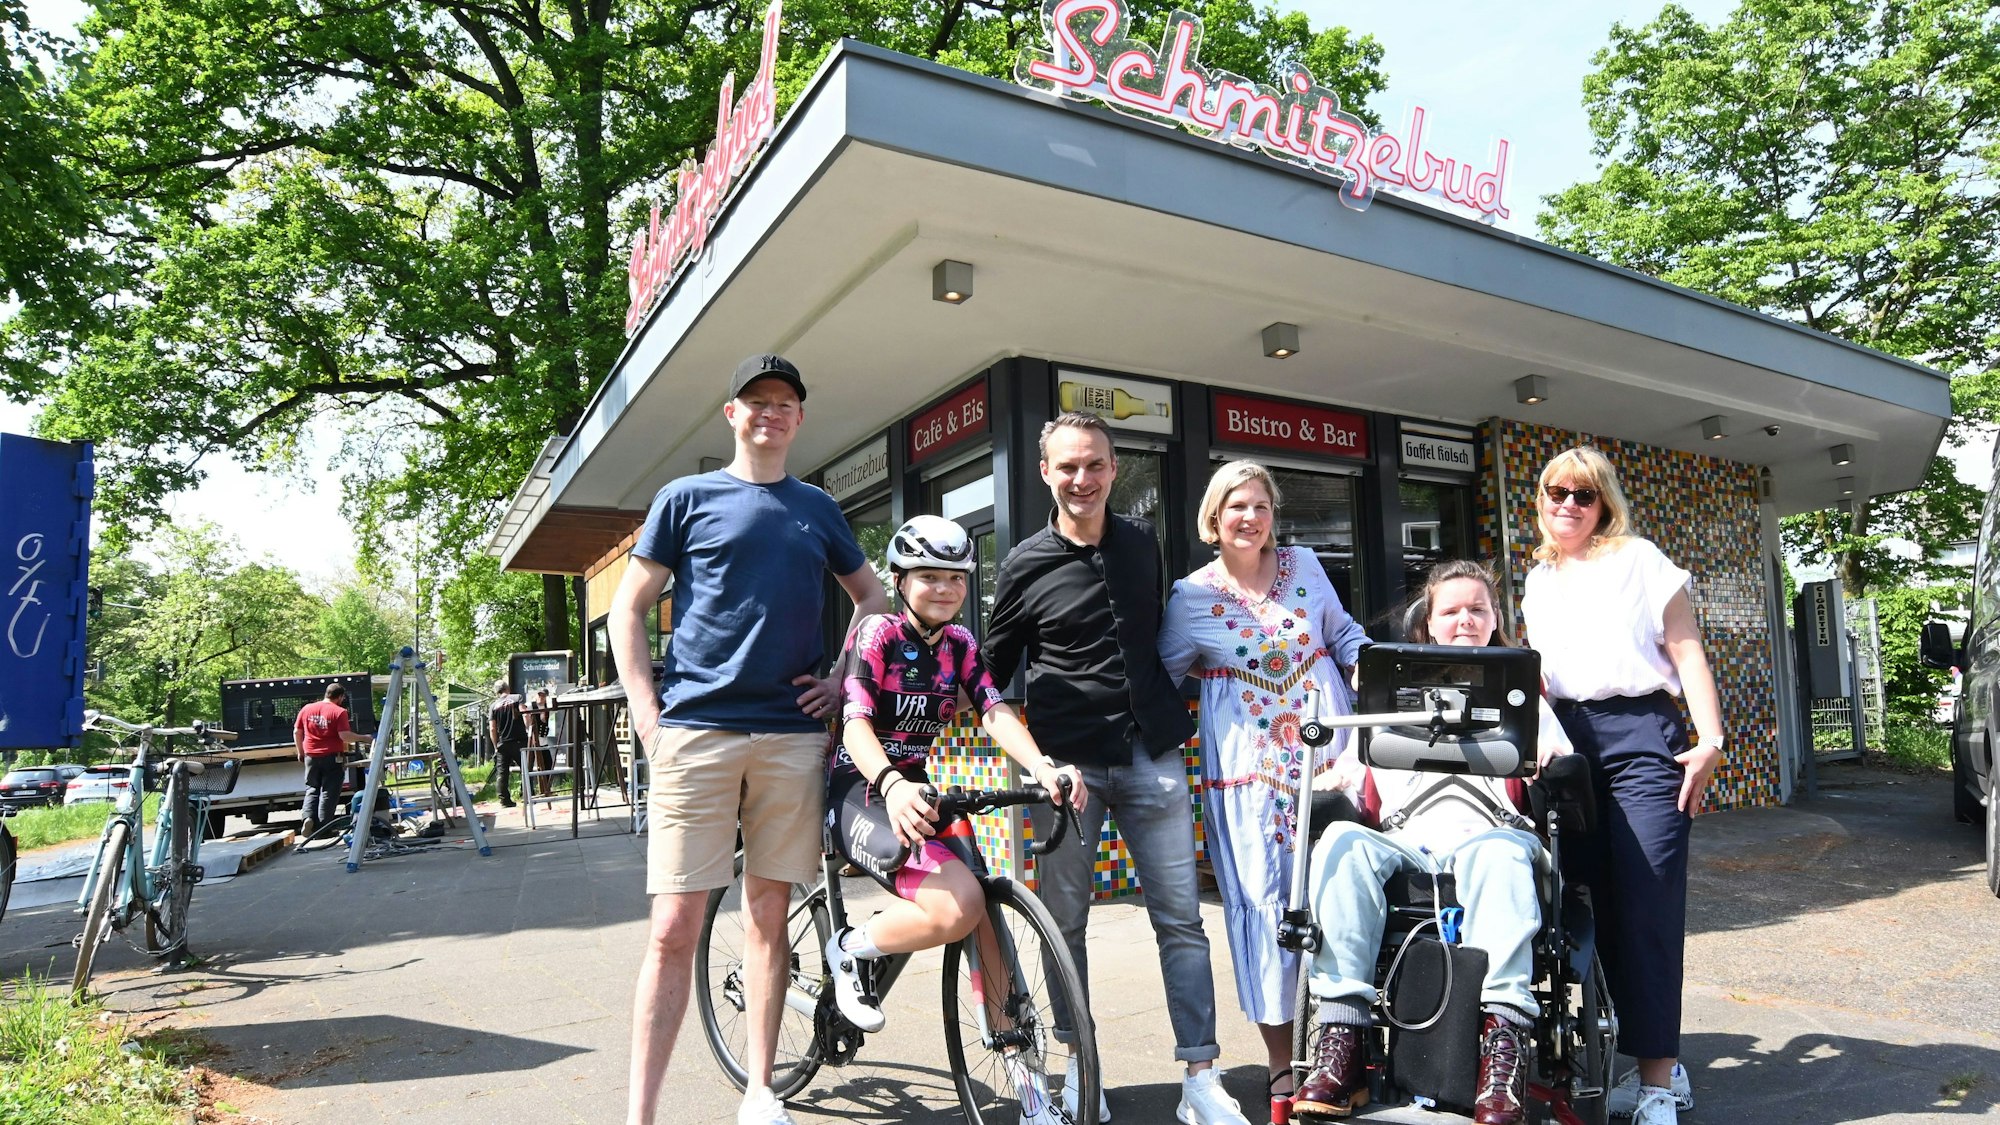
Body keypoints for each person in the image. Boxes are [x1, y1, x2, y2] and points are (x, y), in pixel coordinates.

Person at [610, 353, 888, 1125]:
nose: (771, 411)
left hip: (790, 737)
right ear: (730, 412)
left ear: (799, 419)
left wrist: (841, 677)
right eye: (755, 400)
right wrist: (645, 715)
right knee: (673, 925)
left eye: (785, 402)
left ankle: (761, 1089)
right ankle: (642, 1113)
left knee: (768, 913)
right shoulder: (685, 498)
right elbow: (626, 609)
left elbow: (872, 597)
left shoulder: (817, 508)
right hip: (695, 733)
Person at [986, 410, 1252, 1125]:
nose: (1082, 478)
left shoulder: (1142, 545)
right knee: (1063, 922)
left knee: (1182, 921)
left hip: (1151, 751)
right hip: (1067, 767)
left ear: (1113, 468)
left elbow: (1165, 635)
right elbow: (988, 673)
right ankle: (1082, 1069)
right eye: (1067, 466)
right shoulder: (1022, 564)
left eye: (1095, 464)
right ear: (1045, 472)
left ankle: (1201, 1074)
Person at [822, 515, 1088, 1123]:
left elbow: (993, 714)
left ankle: (1030, 1096)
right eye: (929, 576)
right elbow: (858, 723)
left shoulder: (963, 646)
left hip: (916, 788)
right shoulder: (878, 635)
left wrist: (1043, 769)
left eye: (955, 578)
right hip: (857, 787)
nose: (943, 588)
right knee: (955, 907)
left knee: (985, 923)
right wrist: (887, 783)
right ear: (900, 579)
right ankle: (849, 949)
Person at [1292, 560, 1573, 1125]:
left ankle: (1503, 1055)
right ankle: (1342, 1042)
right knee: (1342, 840)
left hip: (1492, 837)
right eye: (1451, 610)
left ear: (1496, 619)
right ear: (1430, 622)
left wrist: (1553, 764)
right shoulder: (1389, 695)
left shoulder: (1525, 698)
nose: (1465, 620)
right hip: (1406, 841)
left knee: (1497, 852)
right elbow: (1349, 773)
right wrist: (1315, 786)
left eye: (1478, 609)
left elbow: (1560, 762)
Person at [1157, 460, 1369, 1115]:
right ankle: (1284, 1065)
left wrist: (1375, 695)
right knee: (1265, 913)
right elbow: (1160, 681)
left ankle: (1347, 1051)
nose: (1249, 518)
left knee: (1346, 895)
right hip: (1248, 782)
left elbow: (1344, 636)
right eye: (1235, 507)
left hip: (1331, 755)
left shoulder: (1306, 566)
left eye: (1259, 506)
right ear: (1213, 518)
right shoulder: (1190, 596)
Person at [1519, 447, 1722, 1125]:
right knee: (1591, 904)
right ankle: (1648, 1052)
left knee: (1648, 901)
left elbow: (1686, 648)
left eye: (1583, 494)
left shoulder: (1639, 559)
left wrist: (1710, 740)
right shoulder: (1538, 579)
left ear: (1604, 502)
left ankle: (1657, 1081)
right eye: (1556, 491)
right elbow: (1539, 679)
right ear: (1542, 497)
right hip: (1568, 741)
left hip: (1641, 733)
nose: (1568, 504)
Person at [293, 682, 371, 838]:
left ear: (326, 694)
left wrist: (300, 752)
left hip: (311, 755)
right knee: (329, 791)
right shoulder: (339, 712)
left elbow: (297, 731)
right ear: (340, 697)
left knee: (312, 788)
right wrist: (365, 738)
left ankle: (308, 817)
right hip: (332, 756)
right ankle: (323, 829)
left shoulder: (307, 709)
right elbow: (345, 736)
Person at [488, 678, 528, 809]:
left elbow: (492, 728)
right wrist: (528, 729)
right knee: (525, 769)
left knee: (502, 772)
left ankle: (504, 800)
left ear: (497, 692)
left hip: (503, 743)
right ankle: (527, 795)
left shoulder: (493, 706)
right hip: (519, 740)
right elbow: (525, 714)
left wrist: (495, 746)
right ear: (508, 689)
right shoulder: (517, 698)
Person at [525, 686, 555, 799]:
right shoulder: (530, 705)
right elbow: (525, 717)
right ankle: (527, 791)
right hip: (532, 740)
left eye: (543, 695)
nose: (540, 698)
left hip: (543, 740)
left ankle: (546, 789)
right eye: (539, 695)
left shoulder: (547, 707)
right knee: (529, 766)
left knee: (548, 763)